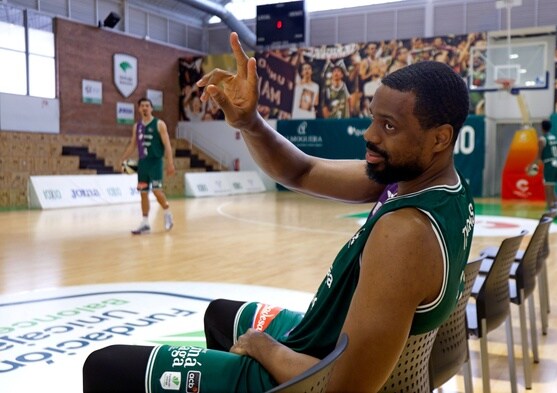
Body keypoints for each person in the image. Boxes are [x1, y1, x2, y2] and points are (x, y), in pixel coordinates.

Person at [83, 33, 474, 392]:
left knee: (106, 366)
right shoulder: (432, 186)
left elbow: (341, 388)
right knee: (220, 315)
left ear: (440, 137)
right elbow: (301, 171)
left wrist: (263, 347)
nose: (370, 135)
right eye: (372, 117)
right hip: (326, 340)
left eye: (388, 125)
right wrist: (250, 123)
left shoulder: (406, 233)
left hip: (312, 373)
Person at [120, 97, 176, 235]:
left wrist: (170, 163)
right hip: (142, 164)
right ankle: (145, 223)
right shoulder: (137, 126)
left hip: (155, 162)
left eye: (147, 105)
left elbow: (167, 145)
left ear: (151, 108)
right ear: (139, 109)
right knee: (143, 193)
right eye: (142, 106)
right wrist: (123, 158)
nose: (145, 108)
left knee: (157, 192)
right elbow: (133, 144)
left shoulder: (159, 124)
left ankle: (167, 211)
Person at [529, 119, 557, 213]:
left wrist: (531, 166)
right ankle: (556, 209)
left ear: (542, 127)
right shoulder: (553, 137)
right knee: (551, 188)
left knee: (548, 190)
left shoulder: (542, 139)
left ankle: (552, 210)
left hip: (549, 164)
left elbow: (538, 156)